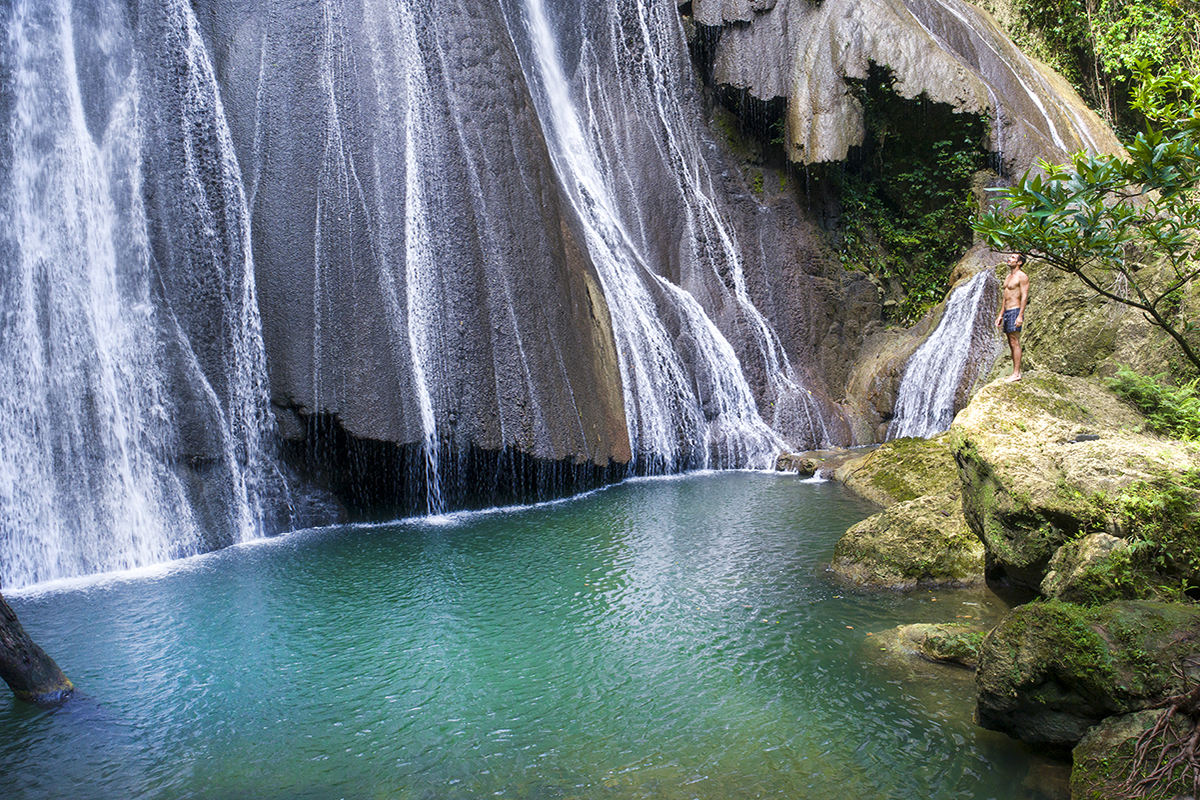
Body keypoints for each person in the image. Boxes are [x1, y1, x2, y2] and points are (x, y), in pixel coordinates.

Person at [994, 253, 1029, 382]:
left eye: (1013, 258)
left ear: (1019, 262)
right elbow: (1005, 297)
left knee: (1015, 341)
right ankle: (1014, 372)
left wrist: (1020, 315)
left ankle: (1017, 373)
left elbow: (1024, 296)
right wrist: (1000, 315)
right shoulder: (1008, 277)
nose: (1009, 259)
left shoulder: (1022, 276)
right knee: (1010, 342)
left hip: (1015, 310)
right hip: (1007, 312)